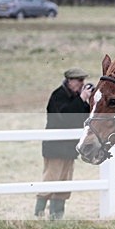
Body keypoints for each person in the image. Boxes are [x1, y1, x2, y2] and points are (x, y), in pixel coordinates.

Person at [35, 68, 93, 219]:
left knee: (65, 183)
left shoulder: (76, 98)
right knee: (50, 180)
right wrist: (81, 99)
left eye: (83, 81)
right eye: (79, 81)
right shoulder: (58, 96)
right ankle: (38, 215)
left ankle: (57, 216)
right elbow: (66, 117)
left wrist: (87, 101)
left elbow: (85, 118)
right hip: (55, 148)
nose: (82, 84)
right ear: (70, 81)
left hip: (69, 149)